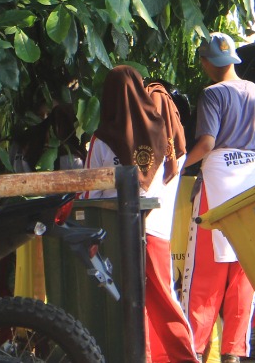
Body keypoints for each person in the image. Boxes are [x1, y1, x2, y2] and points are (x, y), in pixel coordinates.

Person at [183, 34, 255, 363]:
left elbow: (206, 144)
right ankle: (233, 353)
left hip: (218, 184)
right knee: (245, 270)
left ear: (207, 63)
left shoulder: (213, 94)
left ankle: (197, 349)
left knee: (207, 273)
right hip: (253, 185)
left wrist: (175, 167)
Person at [84, 66, 198, 363]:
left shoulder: (102, 139)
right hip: (155, 228)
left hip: (114, 229)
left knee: (125, 300)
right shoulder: (163, 132)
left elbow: (87, 191)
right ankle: (183, 357)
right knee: (162, 296)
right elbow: (171, 173)